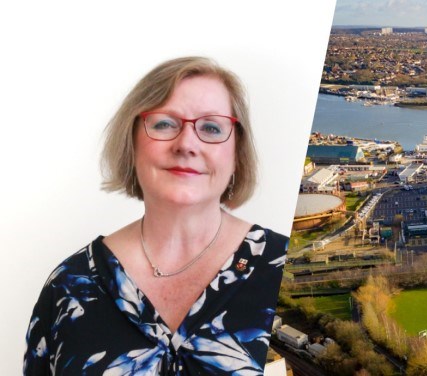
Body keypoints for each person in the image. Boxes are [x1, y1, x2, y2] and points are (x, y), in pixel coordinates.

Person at [24, 57, 289, 374]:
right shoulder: (67, 287)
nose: (187, 144)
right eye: (164, 123)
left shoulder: (281, 266)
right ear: (132, 140)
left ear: (236, 152)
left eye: (211, 127)